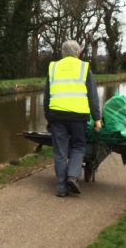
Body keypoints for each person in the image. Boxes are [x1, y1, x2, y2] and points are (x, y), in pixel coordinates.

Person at [43, 40, 102, 197]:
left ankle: (61, 189)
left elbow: (47, 96)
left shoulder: (53, 67)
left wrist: (48, 117)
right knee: (78, 146)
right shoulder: (84, 67)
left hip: (56, 115)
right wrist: (97, 118)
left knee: (60, 151)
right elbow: (93, 96)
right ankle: (72, 176)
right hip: (78, 116)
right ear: (78, 53)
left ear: (62, 53)